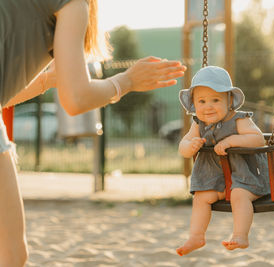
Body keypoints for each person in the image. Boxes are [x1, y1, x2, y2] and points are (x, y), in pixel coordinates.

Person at [0, 0, 186, 265]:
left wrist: (49, 80)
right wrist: (127, 81)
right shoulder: (73, 4)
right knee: (11, 255)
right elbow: (76, 99)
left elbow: (6, 92)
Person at [176, 66, 270, 256]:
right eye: (201, 101)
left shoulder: (239, 119)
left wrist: (232, 140)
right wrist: (190, 145)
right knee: (201, 198)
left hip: (244, 178)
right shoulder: (198, 124)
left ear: (229, 101)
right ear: (193, 103)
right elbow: (182, 146)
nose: (208, 106)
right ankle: (196, 236)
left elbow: (258, 139)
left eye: (215, 100)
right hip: (214, 180)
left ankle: (240, 235)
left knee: (239, 196)